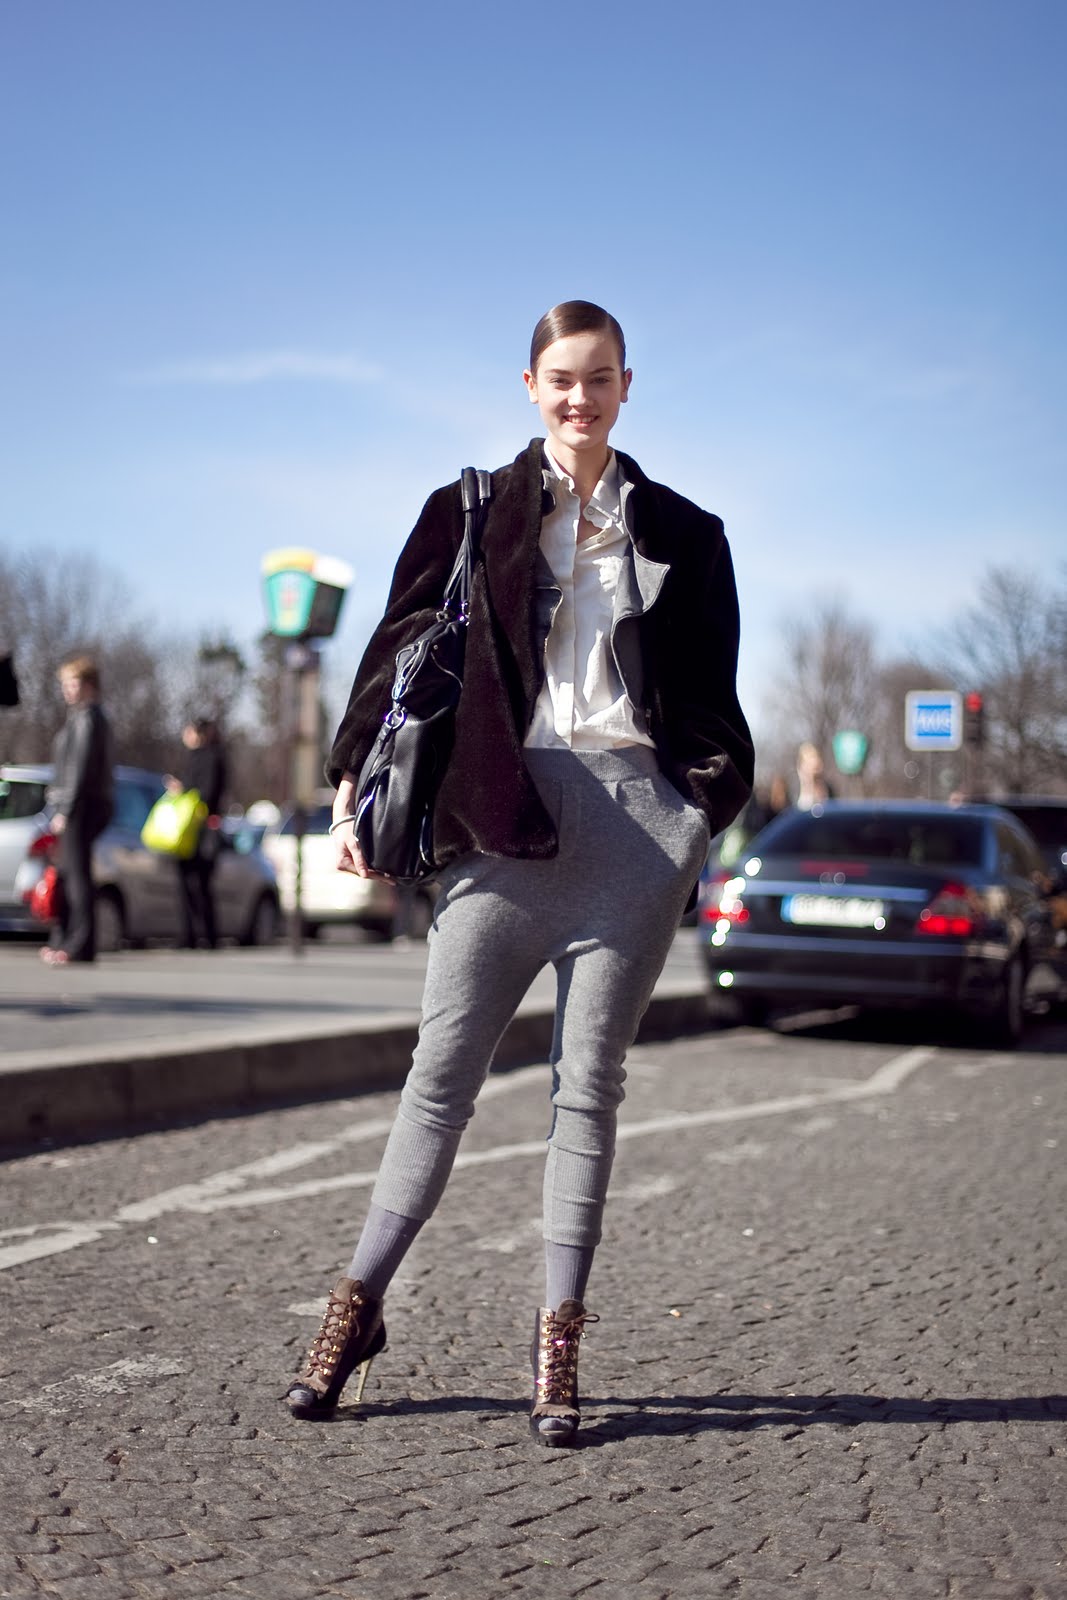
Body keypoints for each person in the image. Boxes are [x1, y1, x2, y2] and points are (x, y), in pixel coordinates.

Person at [285, 300, 754, 1446]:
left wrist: (693, 814)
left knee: (585, 1092)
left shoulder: (686, 532)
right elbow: (395, 649)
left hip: (634, 837)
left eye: (597, 379)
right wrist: (352, 781)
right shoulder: (470, 509)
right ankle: (356, 1306)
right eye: (558, 378)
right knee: (436, 1081)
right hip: (501, 820)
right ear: (529, 384)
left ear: (626, 386)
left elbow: (713, 696)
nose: (577, 398)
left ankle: (556, 1347)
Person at [42, 654, 113, 966]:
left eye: (72, 683)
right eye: (65, 684)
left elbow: (80, 770)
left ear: (88, 685)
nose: (67, 690)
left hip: (81, 806)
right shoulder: (86, 717)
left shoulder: (88, 719)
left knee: (77, 877)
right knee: (72, 873)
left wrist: (65, 809)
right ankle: (68, 940)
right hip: (82, 805)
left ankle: (78, 944)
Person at [166, 718, 227, 949]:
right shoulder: (208, 757)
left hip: (197, 830)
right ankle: (195, 934)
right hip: (192, 829)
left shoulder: (208, 758)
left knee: (199, 884)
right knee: (192, 885)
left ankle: (204, 935)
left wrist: (182, 789)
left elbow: (206, 792)